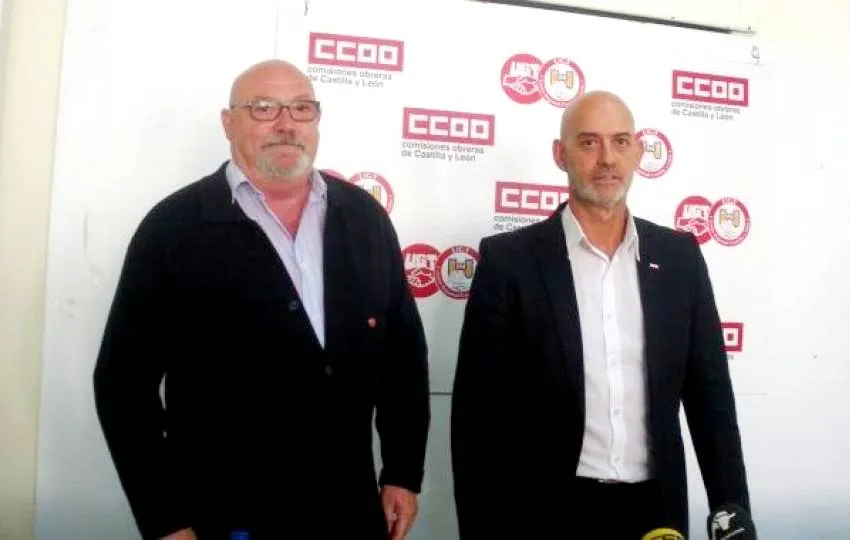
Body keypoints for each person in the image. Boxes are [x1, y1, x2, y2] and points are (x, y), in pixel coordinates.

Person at [92, 59, 431, 540]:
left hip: (348, 510)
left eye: (301, 108)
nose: (286, 124)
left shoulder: (365, 219)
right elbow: (123, 386)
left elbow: (403, 359)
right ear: (228, 123)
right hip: (224, 514)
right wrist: (164, 519)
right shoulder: (173, 229)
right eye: (264, 108)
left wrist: (402, 471)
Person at [450, 91, 751, 539]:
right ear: (561, 154)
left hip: (655, 509)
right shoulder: (510, 261)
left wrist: (732, 510)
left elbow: (711, 397)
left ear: (638, 153)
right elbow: (478, 416)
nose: (607, 158)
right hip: (547, 512)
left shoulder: (679, 258)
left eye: (620, 142)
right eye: (589, 142)